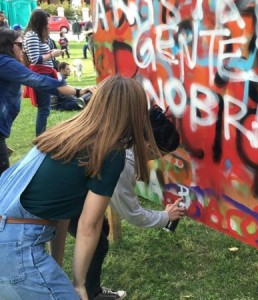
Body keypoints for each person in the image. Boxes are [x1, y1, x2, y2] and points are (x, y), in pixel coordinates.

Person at [0, 74, 161, 300]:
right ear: (135, 113)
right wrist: (79, 285)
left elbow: (62, 214)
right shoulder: (111, 153)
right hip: (13, 247)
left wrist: (56, 265)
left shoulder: (65, 132)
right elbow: (89, 224)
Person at [58, 105, 184, 300]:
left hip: (66, 191)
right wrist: (165, 216)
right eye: (161, 154)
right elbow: (132, 213)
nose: (159, 159)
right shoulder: (124, 161)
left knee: (102, 228)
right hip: (62, 199)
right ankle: (91, 293)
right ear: (150, 146)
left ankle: (90, 289)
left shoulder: (123, 136)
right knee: (98, 242)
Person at [0, 29, 93, 176]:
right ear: (8, 45)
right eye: (20, 45)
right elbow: (37, 80)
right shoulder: (4, 61)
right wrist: (77, 91)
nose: (24, 50)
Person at [23, 9, 65, 136]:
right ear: (40, 21)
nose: (48, 24)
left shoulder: (37, 35)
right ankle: (40, 137)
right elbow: (35, 59)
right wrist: (52, 54)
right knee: (44, 108)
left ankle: (41, 136)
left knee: (45, 107)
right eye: (46, 21)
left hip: (46, 72)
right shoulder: (32, 36)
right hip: (41, 73)